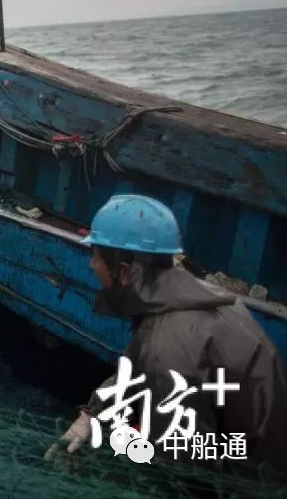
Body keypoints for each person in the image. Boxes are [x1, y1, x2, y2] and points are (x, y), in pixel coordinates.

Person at [49, 194, 287, 471]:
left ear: (124, 272)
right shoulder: (200, 298)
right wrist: (92, 414)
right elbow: (139, 365)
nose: (92, 265)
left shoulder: (169, 349)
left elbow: (180, 471)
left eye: (96, 256)